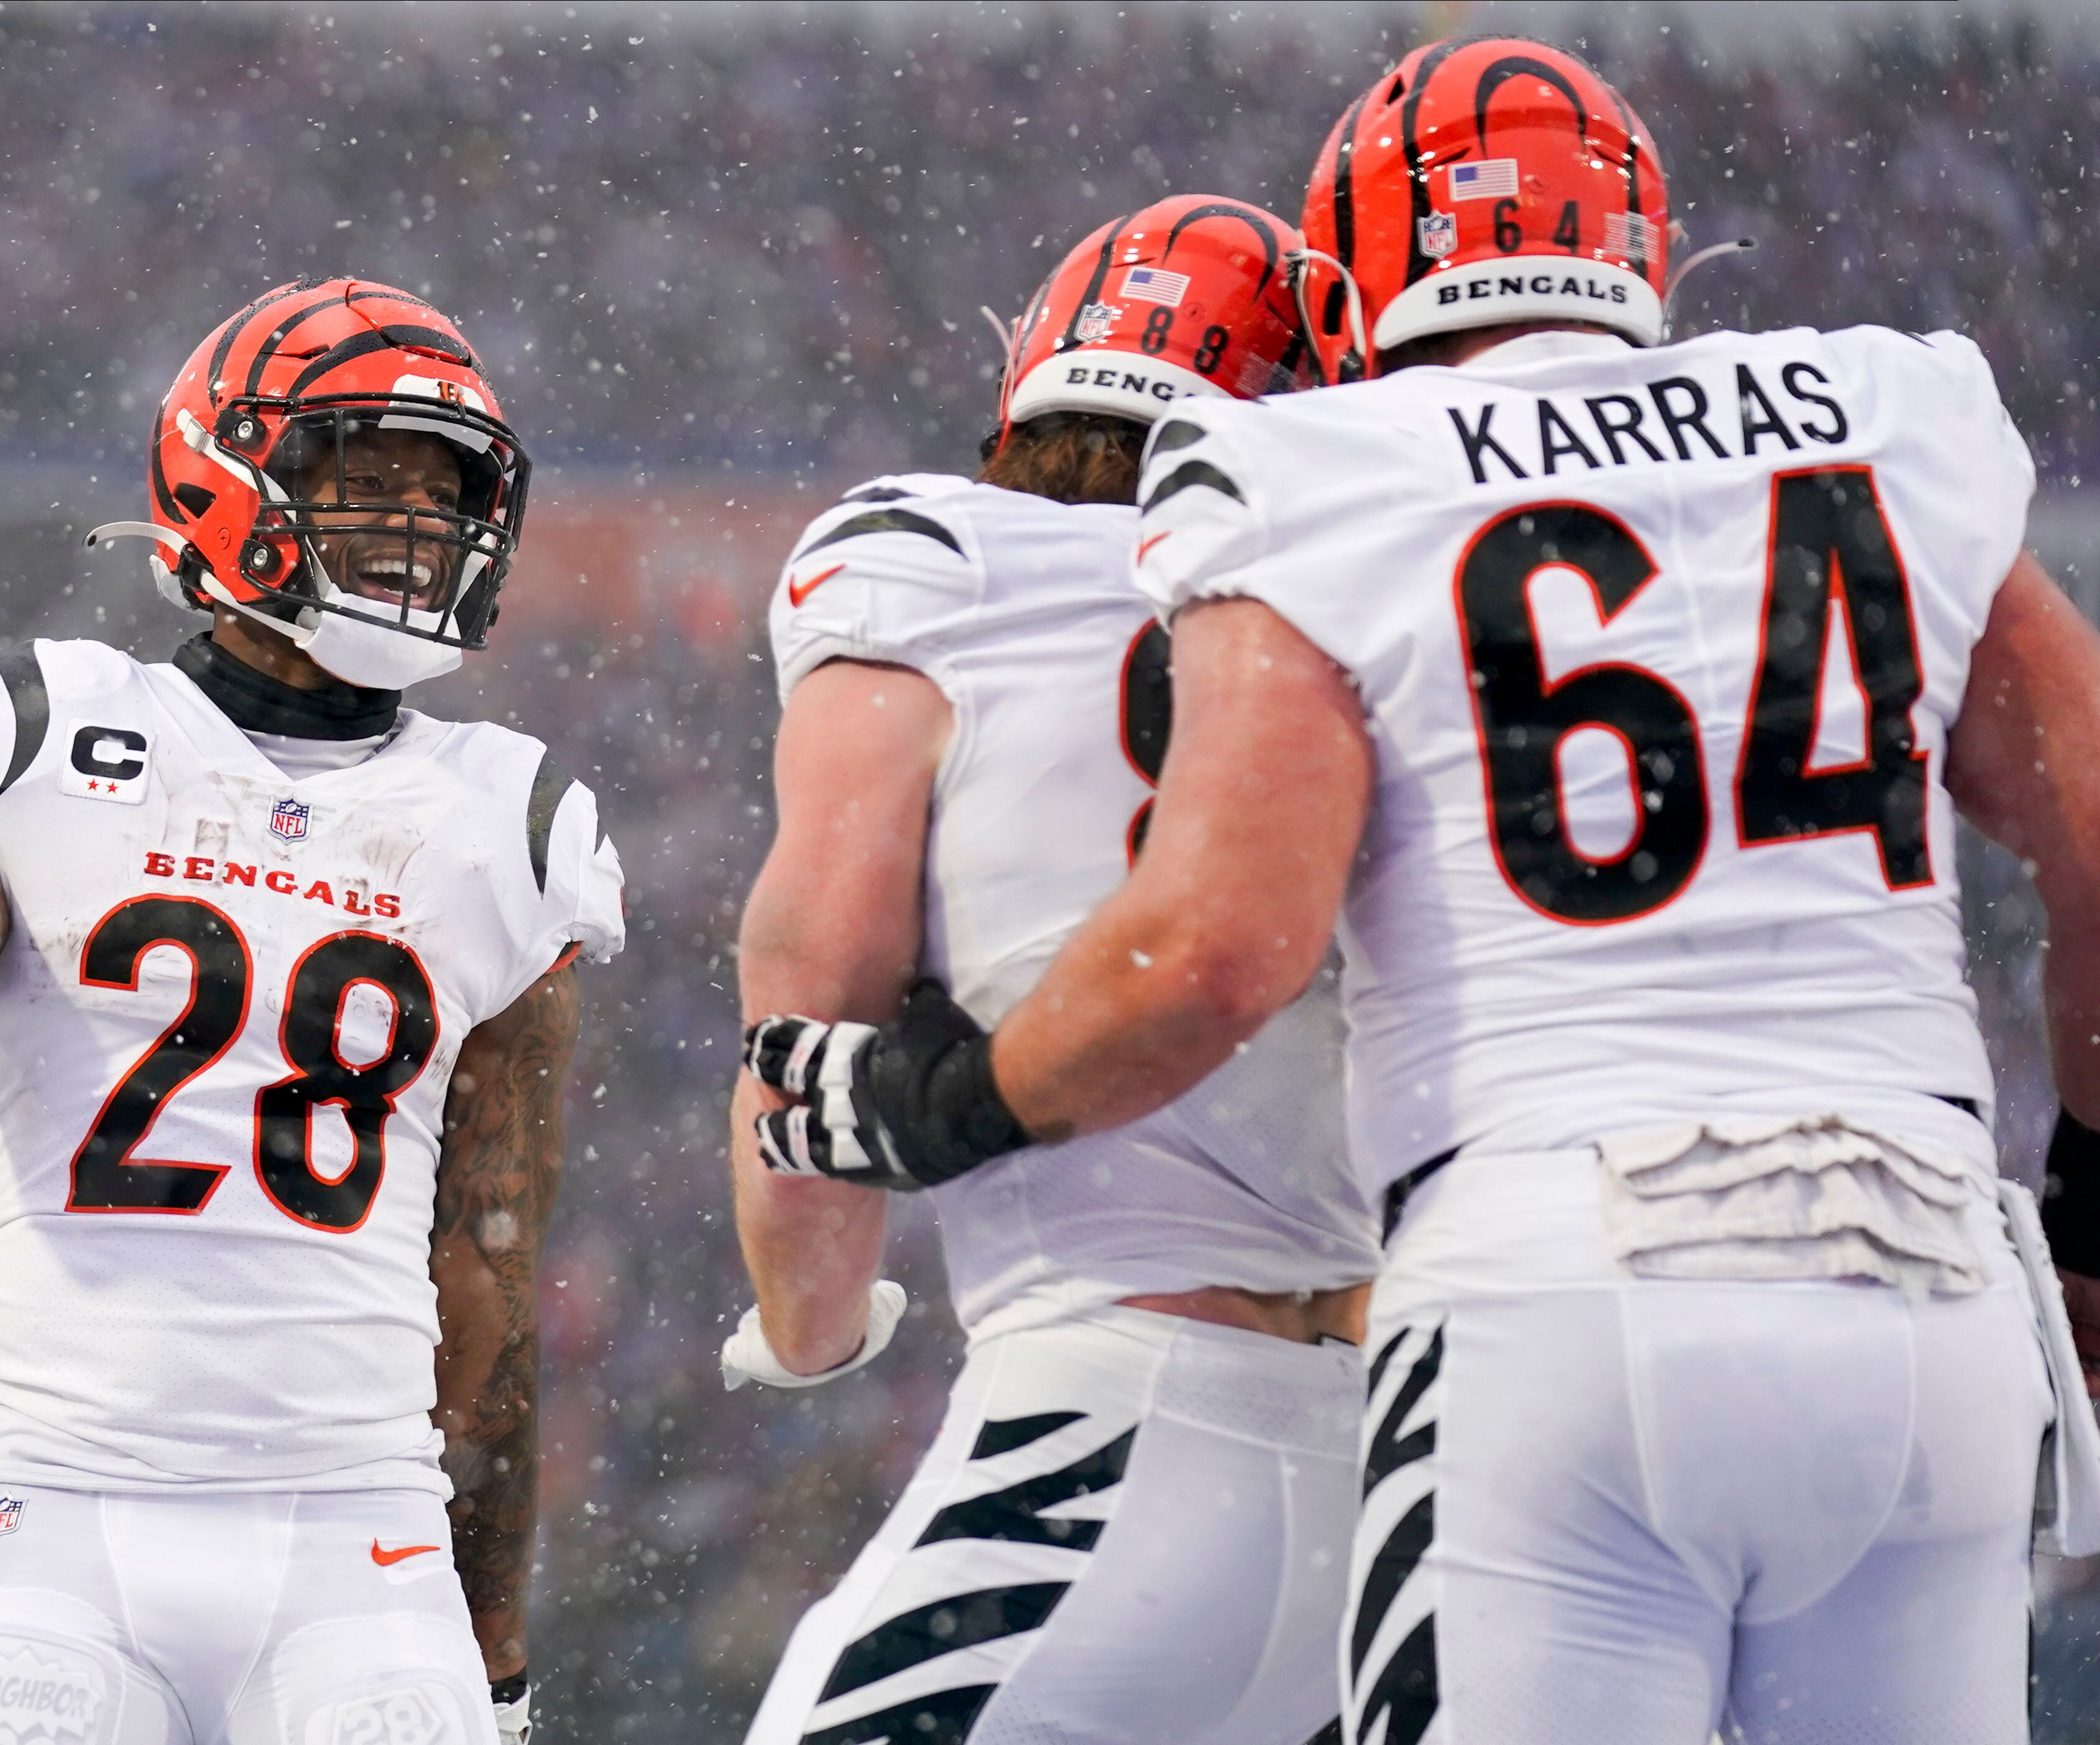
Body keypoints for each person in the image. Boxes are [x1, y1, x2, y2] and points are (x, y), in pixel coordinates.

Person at [745, 38, 2100, 1744]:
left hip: (1560, 1275)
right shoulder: (1882, 408)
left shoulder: (1324, 472)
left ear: (1354, 271)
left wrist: (942, 1094)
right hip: (1927, 1279)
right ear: (1644, 252)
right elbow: (2092, 828)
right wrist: (2095, 1204)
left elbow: (1211, 954)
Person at [0, 278, 624, 1745]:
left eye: (443, 488)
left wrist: (500, 1644)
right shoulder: (37, 718)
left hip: (366, 1529)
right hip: (61, 1517)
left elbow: (488, 1266)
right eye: (370, 477)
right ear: (228, 480)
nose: (420, 522)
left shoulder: (509, 817)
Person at [730, 199, 1376, 1745]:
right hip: (1394, 1440)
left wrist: (809, 1325)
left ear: (1031, 373)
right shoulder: (1359, 585)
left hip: (1113, 1410)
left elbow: (809, 1019)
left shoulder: (928, 562)